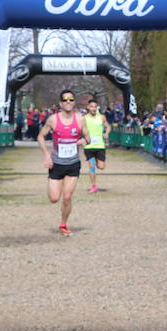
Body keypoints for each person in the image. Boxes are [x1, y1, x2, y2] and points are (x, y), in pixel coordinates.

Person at [38, 90, 86, 235]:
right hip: (56, 164)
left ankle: (63, 224)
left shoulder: (80, 119)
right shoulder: (53, 119)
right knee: (54, 198)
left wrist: (84, 140)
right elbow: (41, 136)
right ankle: (62, 220)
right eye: (65, 100)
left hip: (73, 164)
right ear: (60, 103)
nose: (68, 102)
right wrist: (46, 155)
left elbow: (87, 137)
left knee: (67, 197)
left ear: (74, 102)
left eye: (71, 99)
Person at [82, 96, 110, 194]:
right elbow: (80, 129)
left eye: (95, 107)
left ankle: (98, 163)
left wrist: (106, 133)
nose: (93, 108)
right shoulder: (84, 118)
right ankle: (93, 186)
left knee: (101, 167)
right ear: (88, 107)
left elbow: (108, 126)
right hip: (89, 146)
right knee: (92, 166)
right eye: (91, 106)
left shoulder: (101, 117)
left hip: (100, 146)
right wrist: (82, 139)